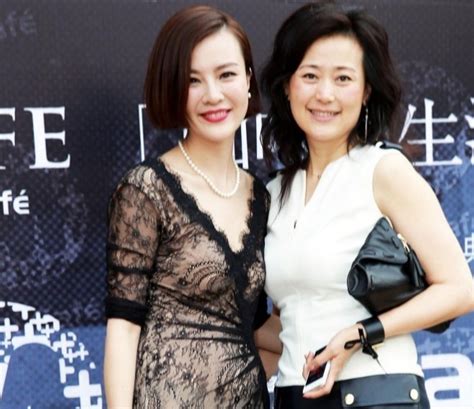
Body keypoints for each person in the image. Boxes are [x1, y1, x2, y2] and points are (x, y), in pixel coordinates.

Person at [261, 1, 473, 408]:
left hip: (377, 393)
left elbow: (460, 289)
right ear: (287, 86)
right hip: (295, 395)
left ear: (366, 91)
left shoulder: (383, 170)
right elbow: (291, 318)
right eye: (310, 76)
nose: (325, 94)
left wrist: (361, 334)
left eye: (343, 78)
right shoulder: (274, 193)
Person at [103, 5, 280, 408]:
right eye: (192, 80)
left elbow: (252, 326)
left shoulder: (261, 196)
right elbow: (123, 330)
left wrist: (340, 330)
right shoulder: (147, 190)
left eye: (226, 74)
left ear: (248, 80)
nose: (213, 95)